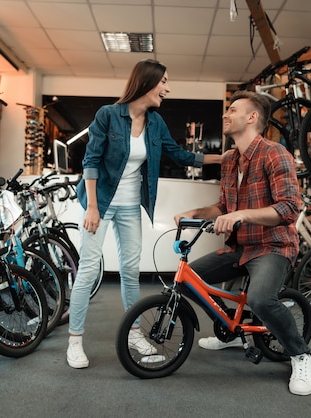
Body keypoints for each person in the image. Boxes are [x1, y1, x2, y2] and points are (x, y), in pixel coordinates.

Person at [67, 59, 222, 369]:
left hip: (129, 207)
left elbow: (179, 155)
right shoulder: (108, 116)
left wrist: (224, 156)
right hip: (102, 203)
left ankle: (134, 334)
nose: (167, 88)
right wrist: (94, 208)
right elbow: (91, 162)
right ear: (147, 82)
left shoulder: (155, 123)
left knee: (129, 270)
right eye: (163, 81)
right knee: (87, 270)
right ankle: (74, 339)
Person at [173, 90, 311, 396]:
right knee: (187, 282)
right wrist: (195, 213)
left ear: (252, 118)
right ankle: (231, 330)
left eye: (233, 110)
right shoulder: (230, 160)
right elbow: (224, 207)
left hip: (273, 246)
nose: (226, 115)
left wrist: (242, 215)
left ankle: (300, 355)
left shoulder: (275, 154)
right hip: (239, 248)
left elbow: (289, 208)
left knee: (261, 299)